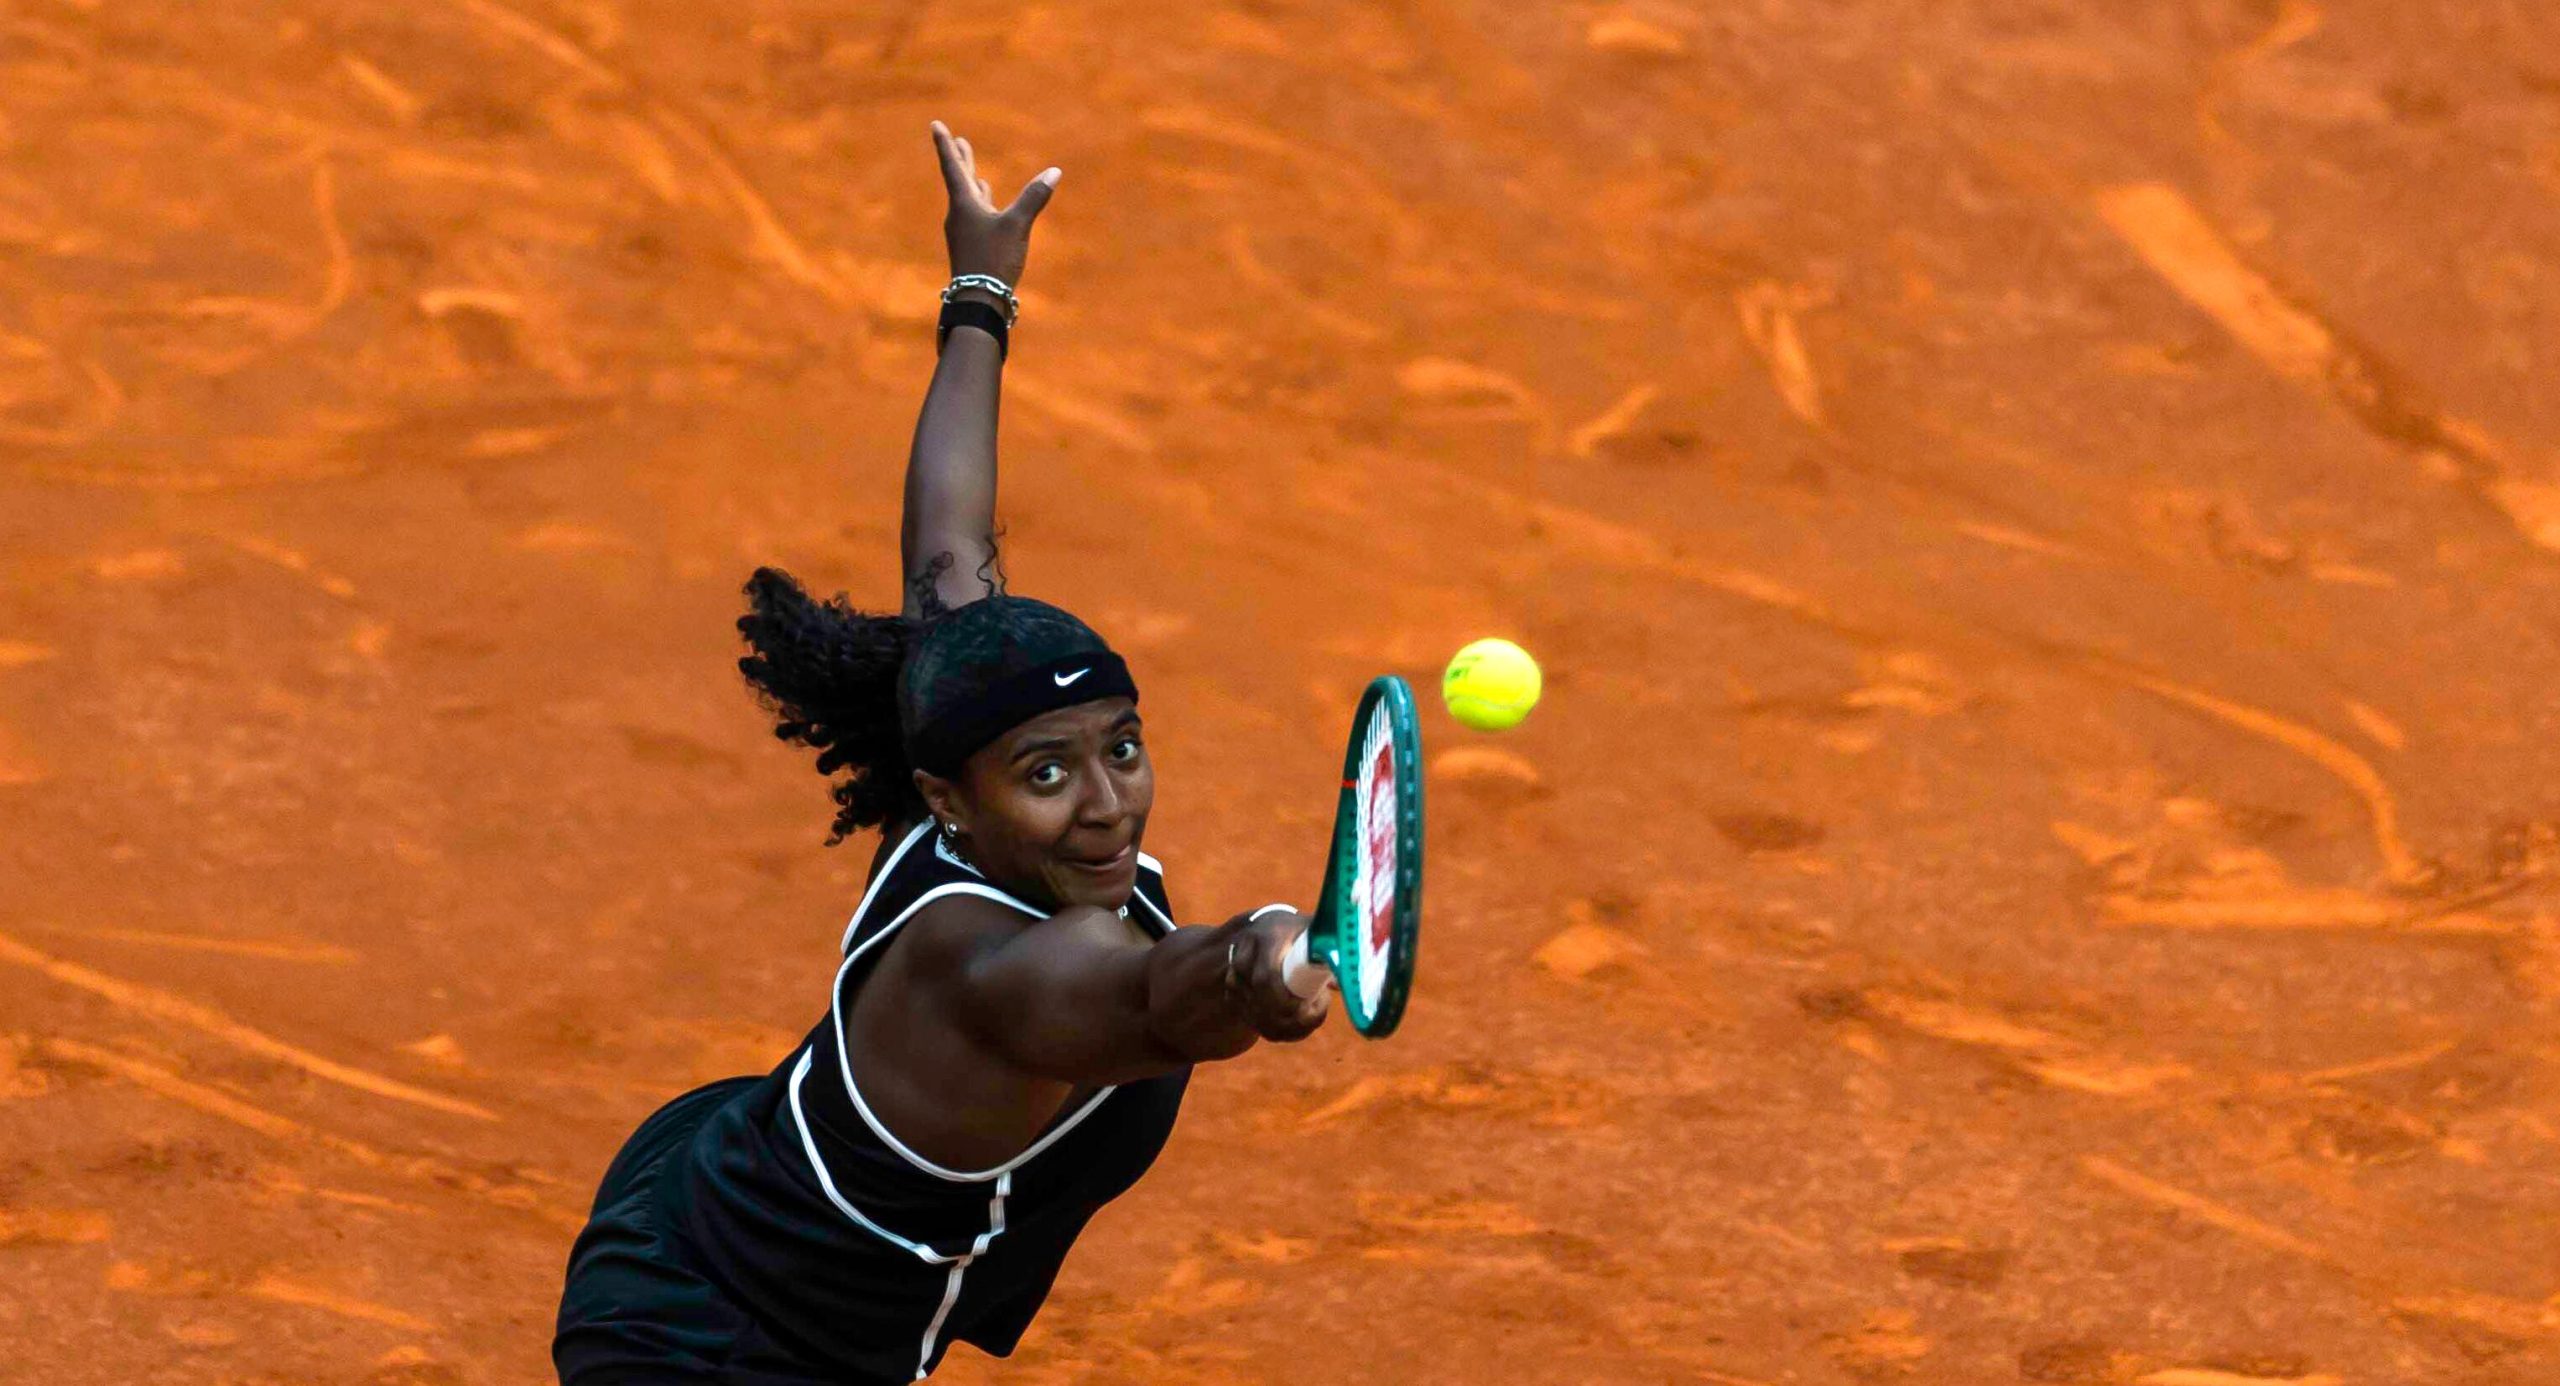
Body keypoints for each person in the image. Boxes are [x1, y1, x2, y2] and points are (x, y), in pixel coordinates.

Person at [551, 123, 1333, 1384]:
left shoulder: (960, 734)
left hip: (728, 1184)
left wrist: (981, 291)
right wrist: (1262, 964)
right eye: (1046, 773)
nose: (1103, 806)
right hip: (714, 1340)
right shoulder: (1001, 970)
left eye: (1121, 748)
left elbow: (946, 545)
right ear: (945, 801)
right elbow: (1151, 991)